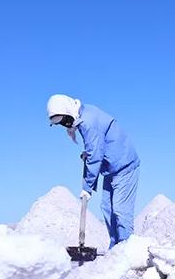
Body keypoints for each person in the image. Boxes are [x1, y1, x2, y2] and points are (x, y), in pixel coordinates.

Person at [47, 94, 140, 249]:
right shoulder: (83, 113)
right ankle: (116, 248)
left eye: (62, 119)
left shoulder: (87, 122)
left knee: (120, 210)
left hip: (124, 165)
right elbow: (97, 146)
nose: (63, 124)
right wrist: (89, 152)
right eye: (58, 122)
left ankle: (127, 250)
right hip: (111, 167)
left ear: (68, 111)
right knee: (107, 207)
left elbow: (95, 155)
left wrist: (87, 188)